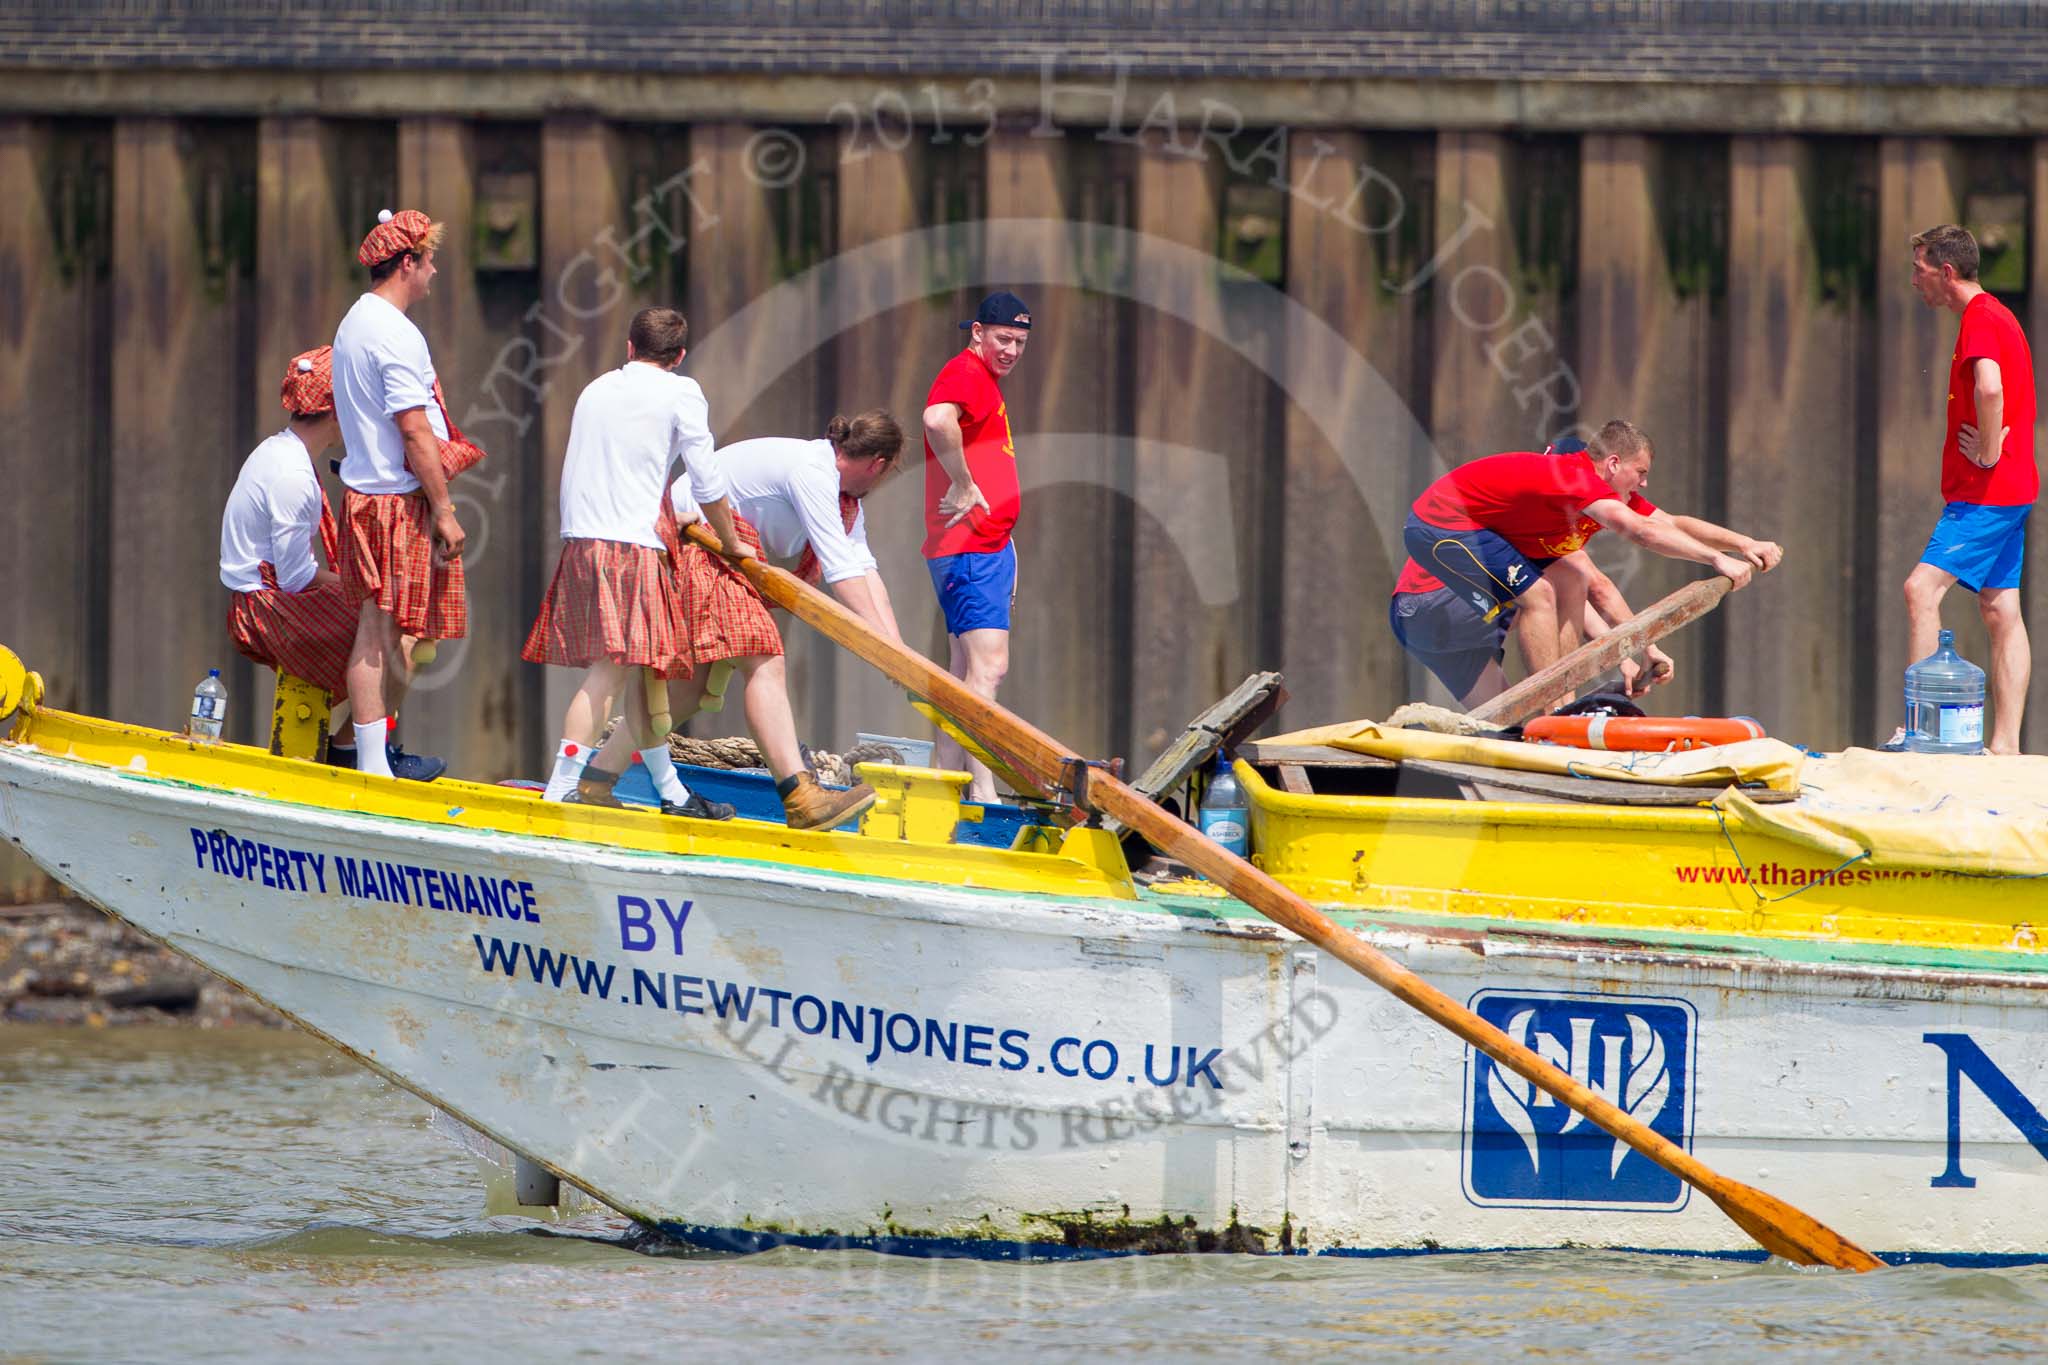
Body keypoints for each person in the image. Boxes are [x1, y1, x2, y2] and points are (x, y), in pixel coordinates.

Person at [581, 413, 907, 831]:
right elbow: (841, 568)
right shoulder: (814, 470)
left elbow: (863, 567)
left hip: (720, 553)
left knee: (687, 692)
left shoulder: (844, 499)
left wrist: (894, 647)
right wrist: (880, 646)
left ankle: (596, 781)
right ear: (878, 464)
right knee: (764, 658)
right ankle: (800, 794)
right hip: (694, 541)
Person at [1388, 421, 1781, 707]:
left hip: (1445, 632)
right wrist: (1715, 560)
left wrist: (1744, 543)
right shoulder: (1564, 492)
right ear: (1609, 465)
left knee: (1500, 728)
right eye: (1640, 473)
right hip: (1428, 602)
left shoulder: (1567, 513)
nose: (1644, 484)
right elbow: (1604, 580)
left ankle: (1552, 717)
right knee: (1547, 590)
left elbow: (1670, 523)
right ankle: (1556, 707)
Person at [522, 307, 735, 818]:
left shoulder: (595, 389)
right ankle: (562, 788)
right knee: (611, 673)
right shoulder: (681, 392)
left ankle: (671, 791)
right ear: (679, 356)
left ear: (628, 346)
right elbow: (706, 479)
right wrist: (729, 540)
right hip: (630, 545)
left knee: (643, 674)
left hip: (584, 539)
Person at [220, 347, 442, 780]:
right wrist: (358, 587)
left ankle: (353, 745)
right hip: (264, 611)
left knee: (391, 616)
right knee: (406, 632)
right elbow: (295, 577)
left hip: (262, 597)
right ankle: (351, 748)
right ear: (338, 409)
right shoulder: (292, 477)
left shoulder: (281, 452)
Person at [332, 208, 481, 780]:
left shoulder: (355, 322)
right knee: (381, 632)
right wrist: (444, 511)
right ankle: (370, 765)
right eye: (429, 260)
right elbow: (414, 429)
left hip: (371, 495)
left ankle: (370, 752)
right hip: (394, 502)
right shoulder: (393, 333)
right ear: (406, 263)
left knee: (402, 632)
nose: (435, 272)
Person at [1901, 224, 2037, 754]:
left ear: (1947, 272)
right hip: (2010, 490)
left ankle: (1920, 732)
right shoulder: (1996, 314)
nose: (1915, 282)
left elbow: (1990, 385)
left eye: (1920, 270)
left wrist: (1986, 448)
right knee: (2001, 609)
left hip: (1987, 491)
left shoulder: (1980, 318)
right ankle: (2004, 746)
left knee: (1921, 590)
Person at [922, 290, 1029, 802]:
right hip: (972, 548)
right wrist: (964, 484)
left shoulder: (981, 377)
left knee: (963, 672)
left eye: (1020, 342)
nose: (1011, 349)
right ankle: (983, 793)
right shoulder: (965, 372)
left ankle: (943, 787)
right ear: (978, 333)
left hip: (980, 547)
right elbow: (936, 420)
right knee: (989, 670)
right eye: (1003, 338)